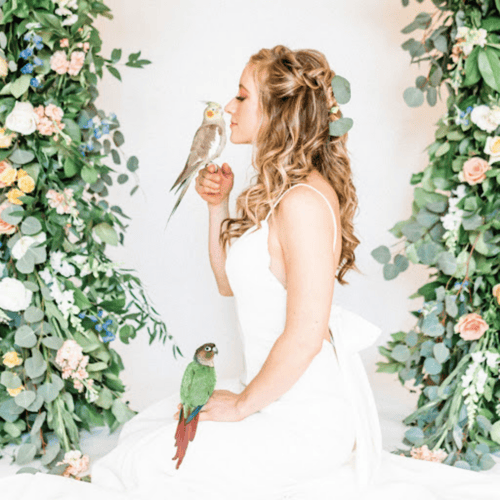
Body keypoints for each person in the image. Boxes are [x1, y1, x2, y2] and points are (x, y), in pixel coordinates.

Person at [1, 44, 500, 500]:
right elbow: (227, 283)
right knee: (143, 435)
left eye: (242, 96)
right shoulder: (275, 189)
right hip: (270, 390)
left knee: (150, 466)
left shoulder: (303, 202)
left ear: (277, 113)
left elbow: (305, 334)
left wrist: (241, 405)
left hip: (305, 413)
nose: (229, 108)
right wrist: (217, 207)